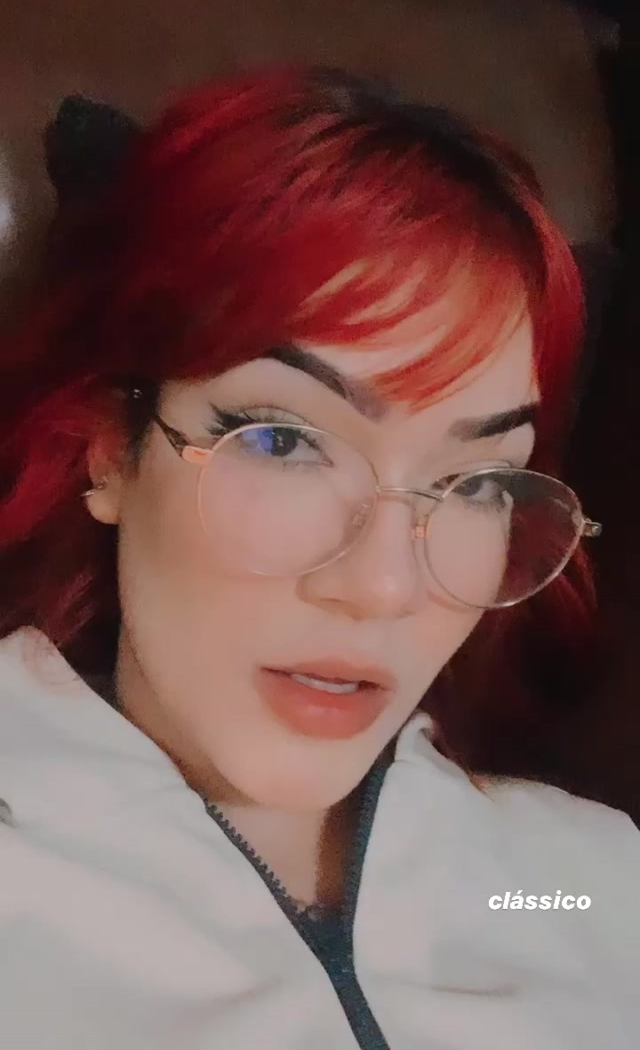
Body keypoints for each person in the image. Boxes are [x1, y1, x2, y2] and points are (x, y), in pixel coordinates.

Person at [0, 67, 637, 1050]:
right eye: (284, 439)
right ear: (110, 450)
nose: (382, 587)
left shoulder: (579, 879)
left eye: (475, 481)